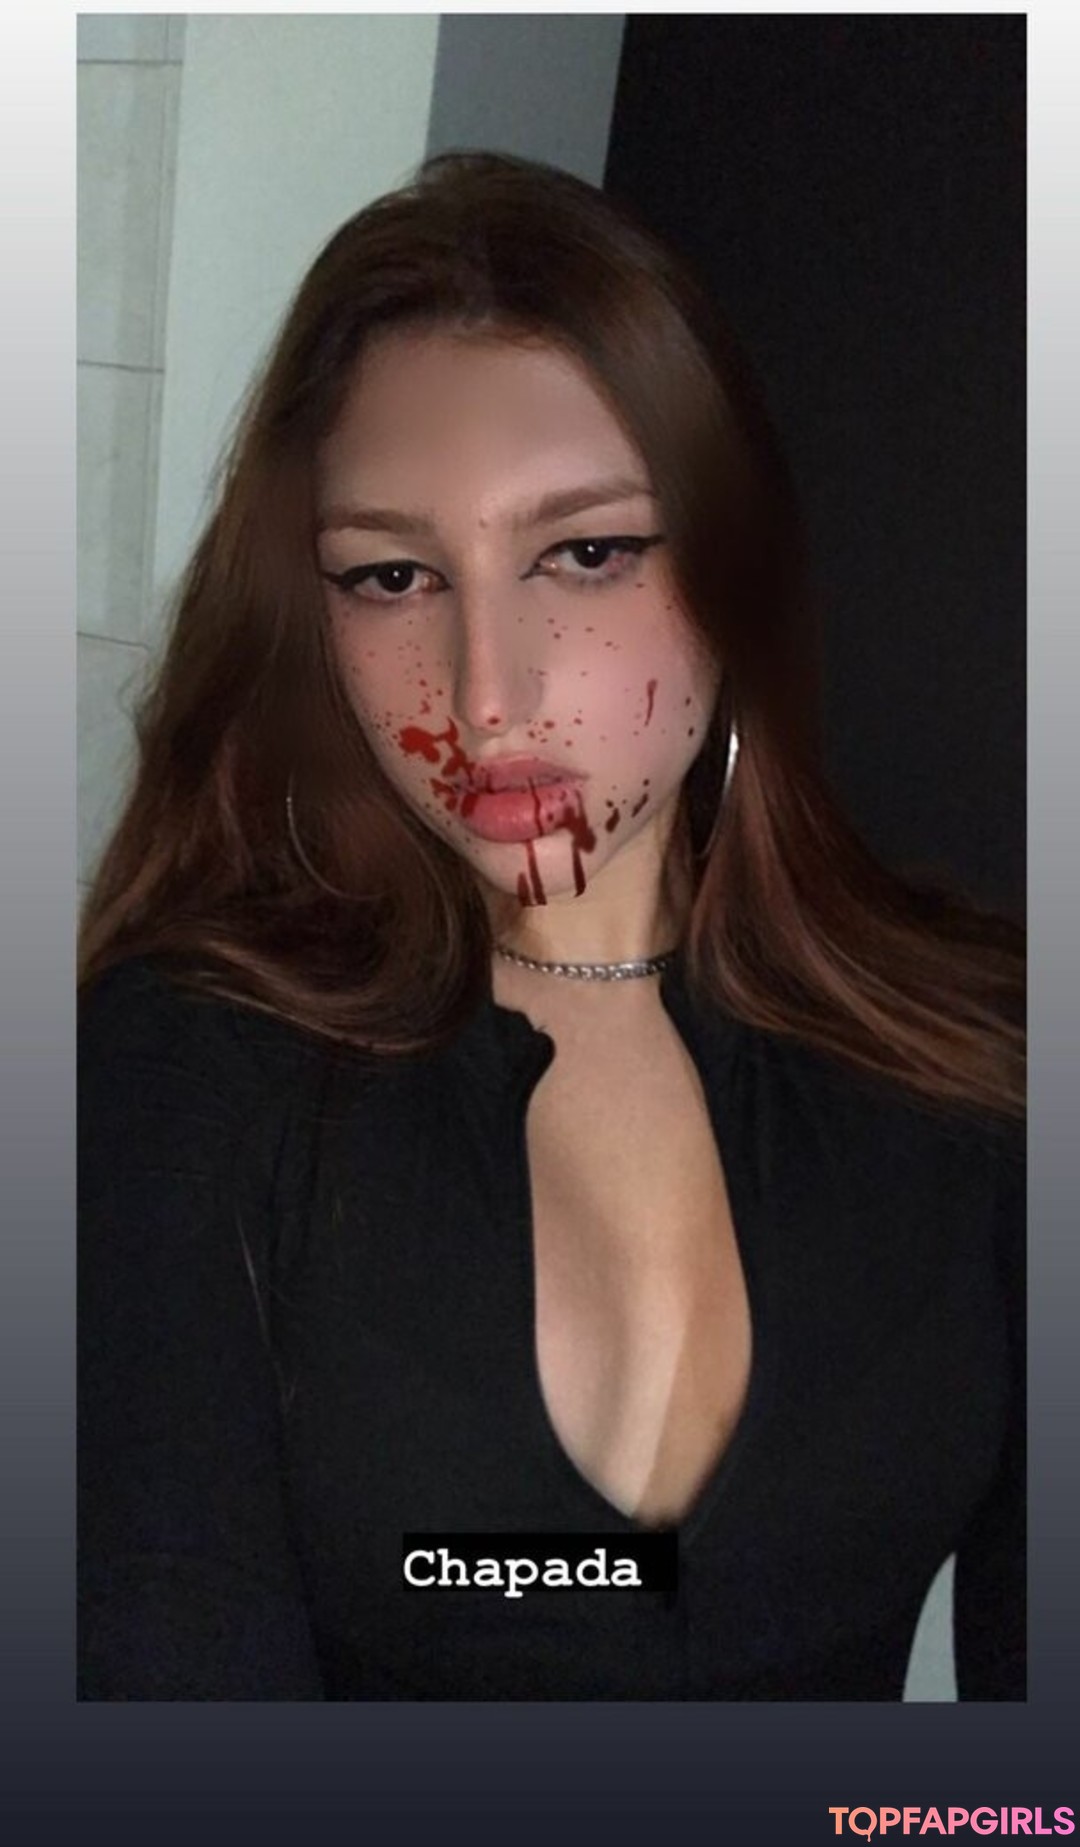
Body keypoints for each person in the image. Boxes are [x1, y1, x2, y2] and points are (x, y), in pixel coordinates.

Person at [77, 150, 1025, 1701]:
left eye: (586, 553)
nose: (489, 693)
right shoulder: (190, 1072)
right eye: (393, 575)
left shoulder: (981, 1061)